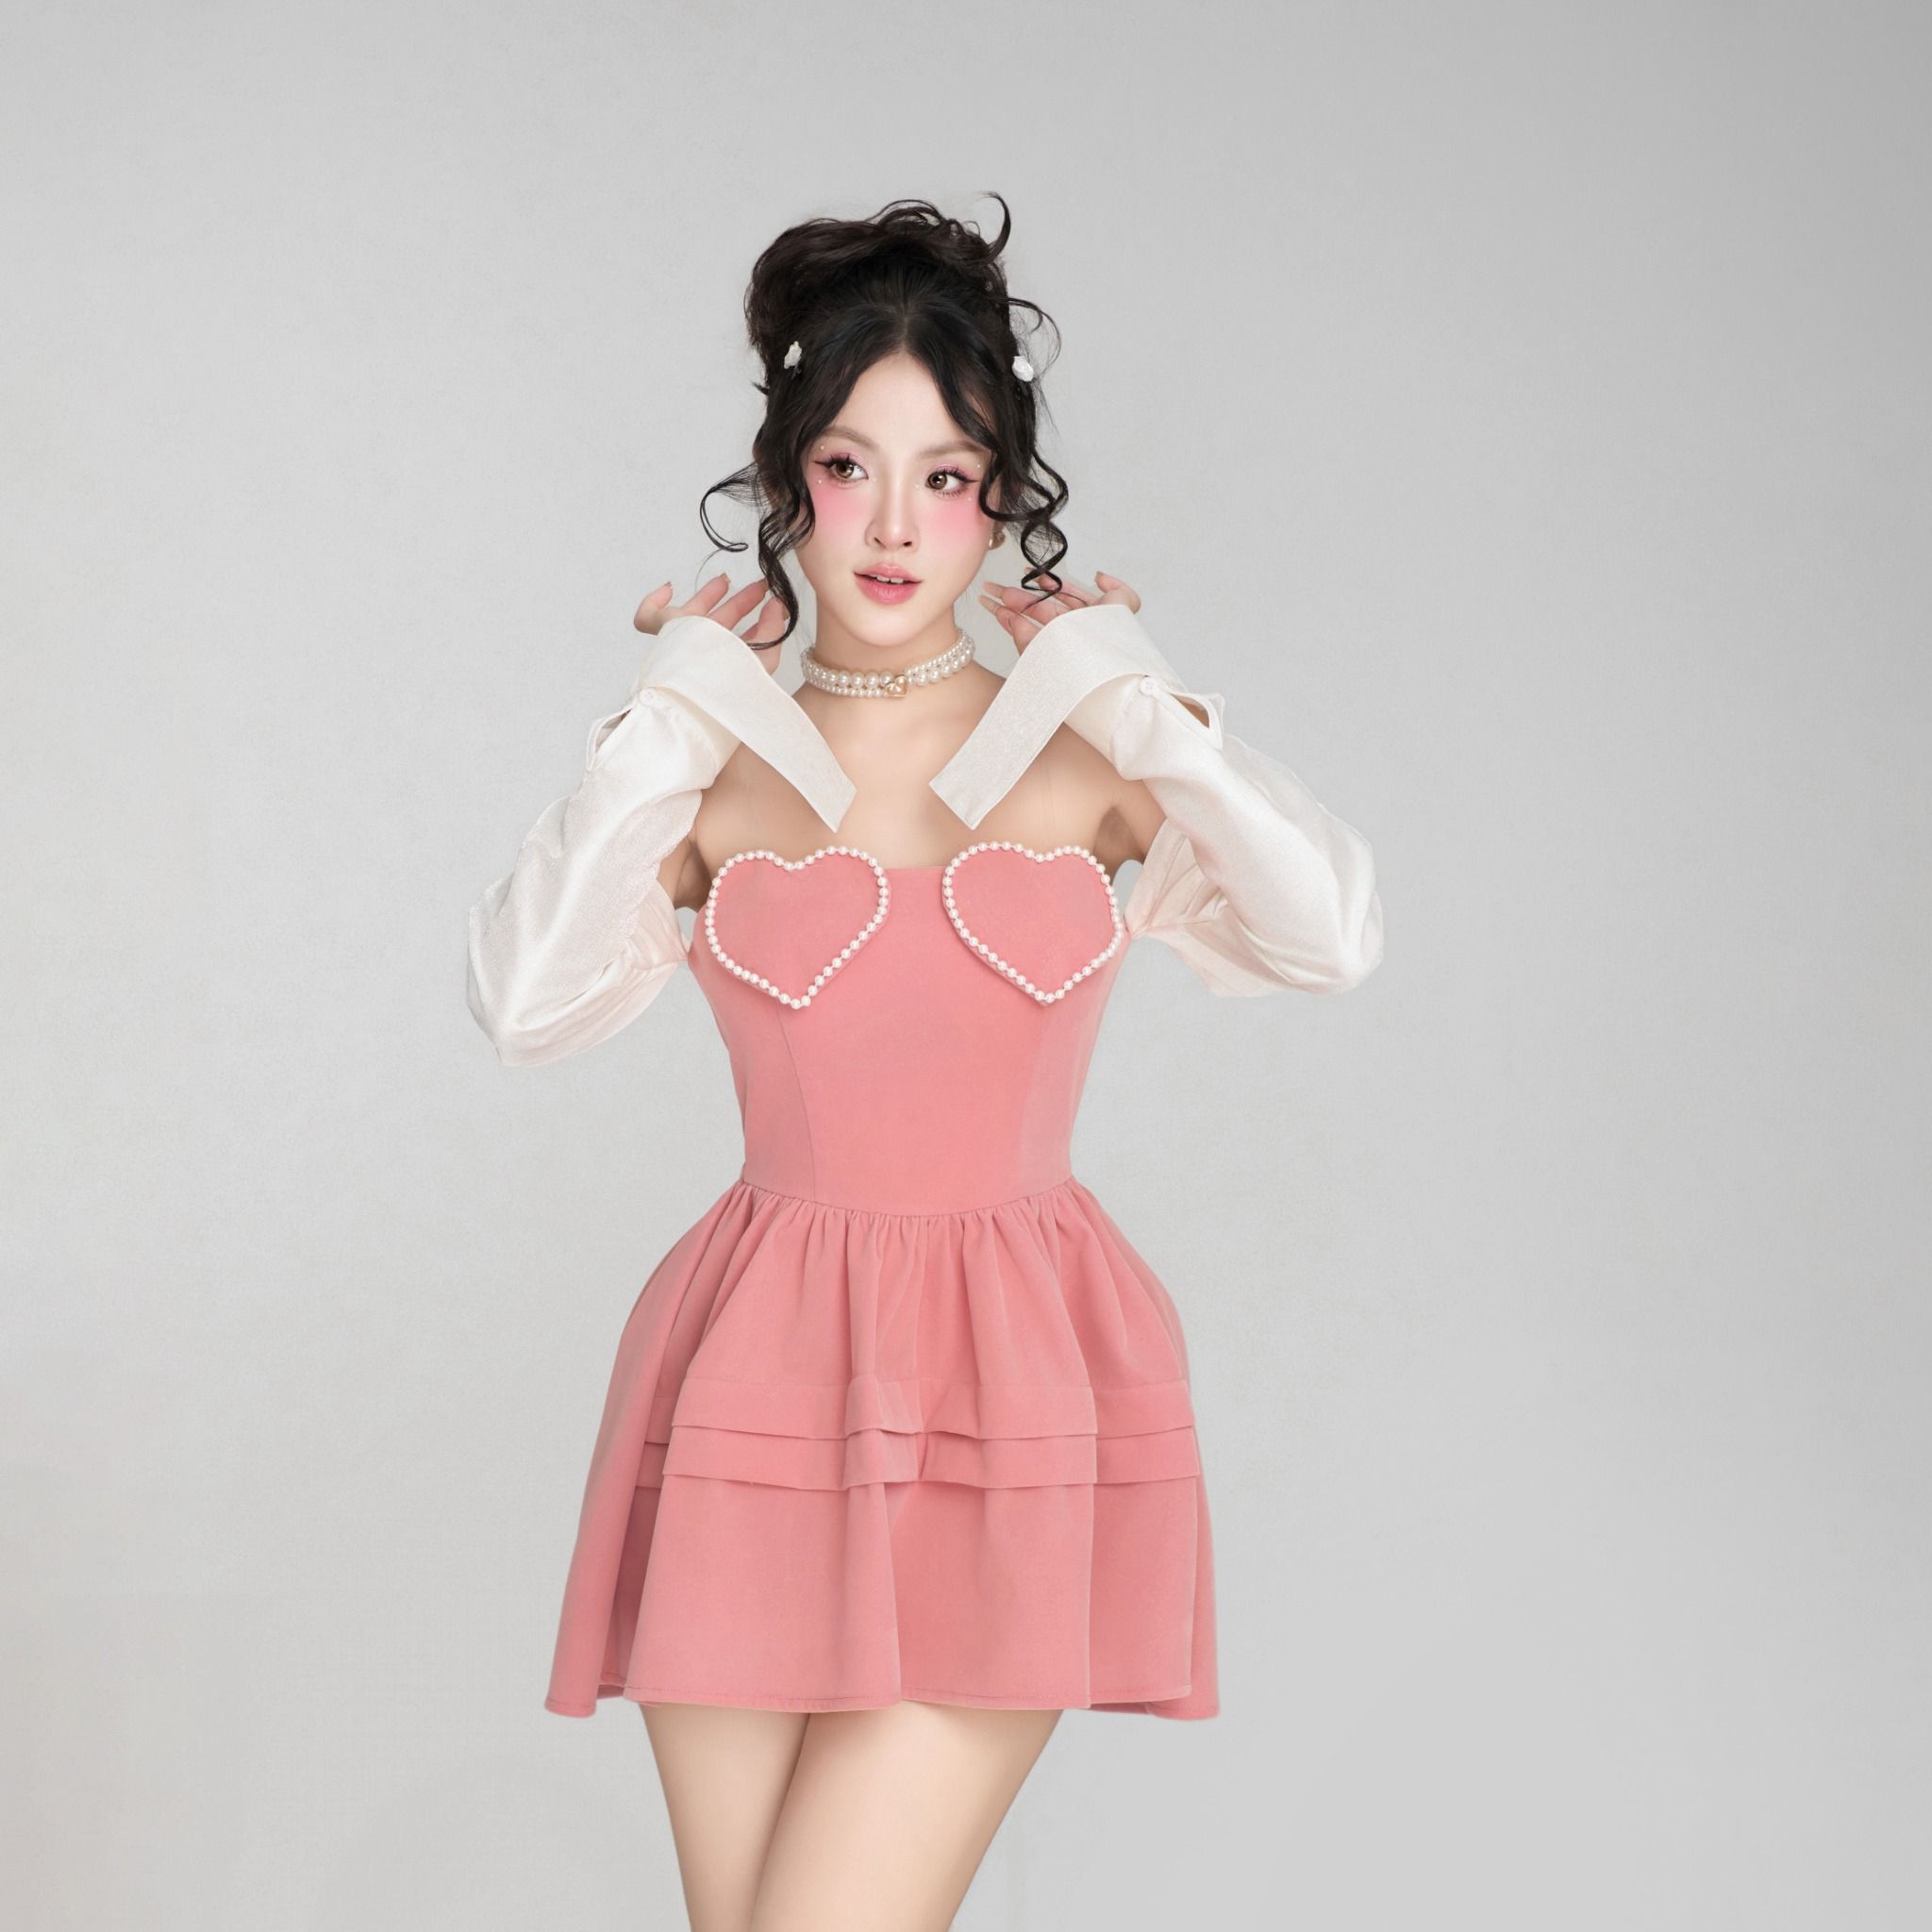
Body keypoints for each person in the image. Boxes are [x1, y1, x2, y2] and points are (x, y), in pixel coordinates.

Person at [465, 194, 1384, 1932]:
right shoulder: (716, 765)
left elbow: (1327, 932)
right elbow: (523, 1004)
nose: (894, 524)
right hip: (749, 1387)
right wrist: (660, 726)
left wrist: (1139, 698)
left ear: (1001, 498)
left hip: (1008, 1383)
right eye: (849, 467)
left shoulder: (1085, 755)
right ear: (787, 479)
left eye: (946, 477)